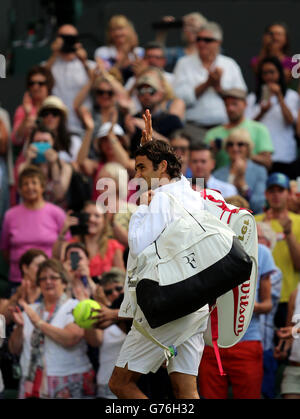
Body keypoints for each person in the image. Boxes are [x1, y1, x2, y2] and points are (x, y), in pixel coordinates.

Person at [109, 112, 209, 399]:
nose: (137, 176)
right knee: (186, 390)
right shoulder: (191, 192)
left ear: (162, 166)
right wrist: (150, 147)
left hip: (168, 306)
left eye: (141, 169)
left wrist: (142, 206)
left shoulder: (161, 199)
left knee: (120, 384)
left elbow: (139, 247)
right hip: (195, 304)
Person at [8, 259, 96, 399]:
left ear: (64, 282)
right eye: (43, 278)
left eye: (53, 277)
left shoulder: (75, 307)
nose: (48, 282)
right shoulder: (31, 310)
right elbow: (14, 349)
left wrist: (39, 323)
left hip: (67, 380)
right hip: (32, 381)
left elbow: (71, 338)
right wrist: (19, 327)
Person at [198, 240, 274, 399]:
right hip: (210, 343)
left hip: (246, 341)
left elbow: (268, 304)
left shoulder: (261, 252)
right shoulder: (205, 246)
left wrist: (245, 305)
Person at [173, 21, 247, 143]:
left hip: (224, 128)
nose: (202, 43)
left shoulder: (230, 65)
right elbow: (178, 98)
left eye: (207, 40)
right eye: (199, 39)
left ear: (218, 42)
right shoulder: (183, 64)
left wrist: (219, 88)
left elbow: (241, 97)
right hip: (193, 128)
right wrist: (206, 84)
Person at [0, 166, 69, 288]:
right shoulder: (10, 215)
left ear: (42, 186)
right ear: (20, 189)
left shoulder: (57, 213)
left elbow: (66, 245)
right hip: (18, 280)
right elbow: (5, 250)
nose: (30, 187)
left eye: (34, 183)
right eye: (25, 184)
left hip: (49, 280)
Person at [255, 172, 300, 330]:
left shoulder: (298, 222)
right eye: (271, 191)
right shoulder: (254, 221)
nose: (276, 195)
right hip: (260, 298)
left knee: (287, 347)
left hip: (288, 297)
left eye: (280, 190)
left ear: (288, 193)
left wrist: (288, 233)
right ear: (266, 194)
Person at [246, 57, 300, 179]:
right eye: (265, 73)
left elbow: (291, 121)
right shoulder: (253, 98)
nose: (269, 76)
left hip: (285, 156)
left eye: (272, 72)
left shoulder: (291, 96)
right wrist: (262, 112)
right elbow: (246, 127)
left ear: (279, 73)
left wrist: (280, 96)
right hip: (260, 157)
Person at [44, 24, 96, 135]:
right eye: (64, 38)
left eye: (71, 38)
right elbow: (40, 78)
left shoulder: (88, 65)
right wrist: (55, 53)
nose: (68, 41)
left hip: (82, 127)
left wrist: (84, 61)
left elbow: (99, 83)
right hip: (56, 129)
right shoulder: (49, 65)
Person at [204, 88, 274, 170]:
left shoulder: (259, 129)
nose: (230, 108)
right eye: (227, 105)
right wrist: (212, 152)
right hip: (220, 180)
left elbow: (267, 163)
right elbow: (201, 166)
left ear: (245, 104)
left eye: (234, 104)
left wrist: (246, 155)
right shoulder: (212, 133)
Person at [54, 201, 125, 277]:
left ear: (104, 221)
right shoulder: (72, 245)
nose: (91, 219)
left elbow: (121, 277)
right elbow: (56, 260)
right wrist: (63, 232)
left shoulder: (113, 246)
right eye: (87, 215)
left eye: (97, 216)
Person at [126, 69, 183, 154]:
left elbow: (175, 150)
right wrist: (129, 133)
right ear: (137, 95)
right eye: (141, 91)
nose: (146, 95)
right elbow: (127, 149)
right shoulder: (132, 119)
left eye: (151, 91)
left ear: (161, 94)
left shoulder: (172, 120)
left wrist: (148, 130)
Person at [16, 125, 73, 209]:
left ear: (53, 143)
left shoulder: (65, 167)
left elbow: (59, 195)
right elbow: (21, 192)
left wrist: (54, 165)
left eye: (46, 142)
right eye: (38, 142)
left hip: (54, 215)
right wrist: (28, 160)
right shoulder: (24, 166)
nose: (41, 144)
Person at [213, 128, 268, 214]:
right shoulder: (217, 174)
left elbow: (259, 206)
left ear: (248, 148)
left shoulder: (259, 171)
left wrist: (243, 185)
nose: (235, 148)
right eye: (230, 144)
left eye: (240, 144)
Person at [257, 222, 283, 398]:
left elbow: (255, 297)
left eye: (256, 238)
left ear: (267, 243)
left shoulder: (275, 272)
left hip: (261, 345)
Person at [95, 269, 127, 399]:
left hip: (130, 383)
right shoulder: (103, 313)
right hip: (105, 383)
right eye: (108, 292)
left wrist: (109, 310)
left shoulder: (131, 309)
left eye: (118, 289)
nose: (114, 294)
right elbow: (95, 340)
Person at [1, 249, 48, 324]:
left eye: (45, 266)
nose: (42, 270)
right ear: (25, 268)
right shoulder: (11, 291)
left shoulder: (47, 292)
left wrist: (30, 302)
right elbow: (2, 324)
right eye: (39, 266)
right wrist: (16, 297)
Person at [12, 66, 54, 147]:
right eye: (32, 83)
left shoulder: (56, 107)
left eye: (40, 83)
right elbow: (16, 140)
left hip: (52, 153)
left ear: (48, 85)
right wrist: (27, 116)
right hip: (28, 155)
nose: (35, 87)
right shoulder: (22, 109)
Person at [94, 15, 144, 84]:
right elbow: (108, 76)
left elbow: (142, 73)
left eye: (120, 29)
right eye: (113, 30)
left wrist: (133, 50)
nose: (117, 33)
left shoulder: (139, 51)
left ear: (130, 30)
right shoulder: (103, 52)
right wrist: (126, 52)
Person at [37, 95, 82, 163]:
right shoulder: (36, 139)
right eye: (45, 113)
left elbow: (79, 166)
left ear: (62, 117)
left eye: (55, 113)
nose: (50, 117)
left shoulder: (74, 140)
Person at [274, 283, 300, 399]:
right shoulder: (295, 292)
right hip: (294, 366)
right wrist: (283, 348)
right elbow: (290, 330)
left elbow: (294, 330)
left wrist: (296, 330)